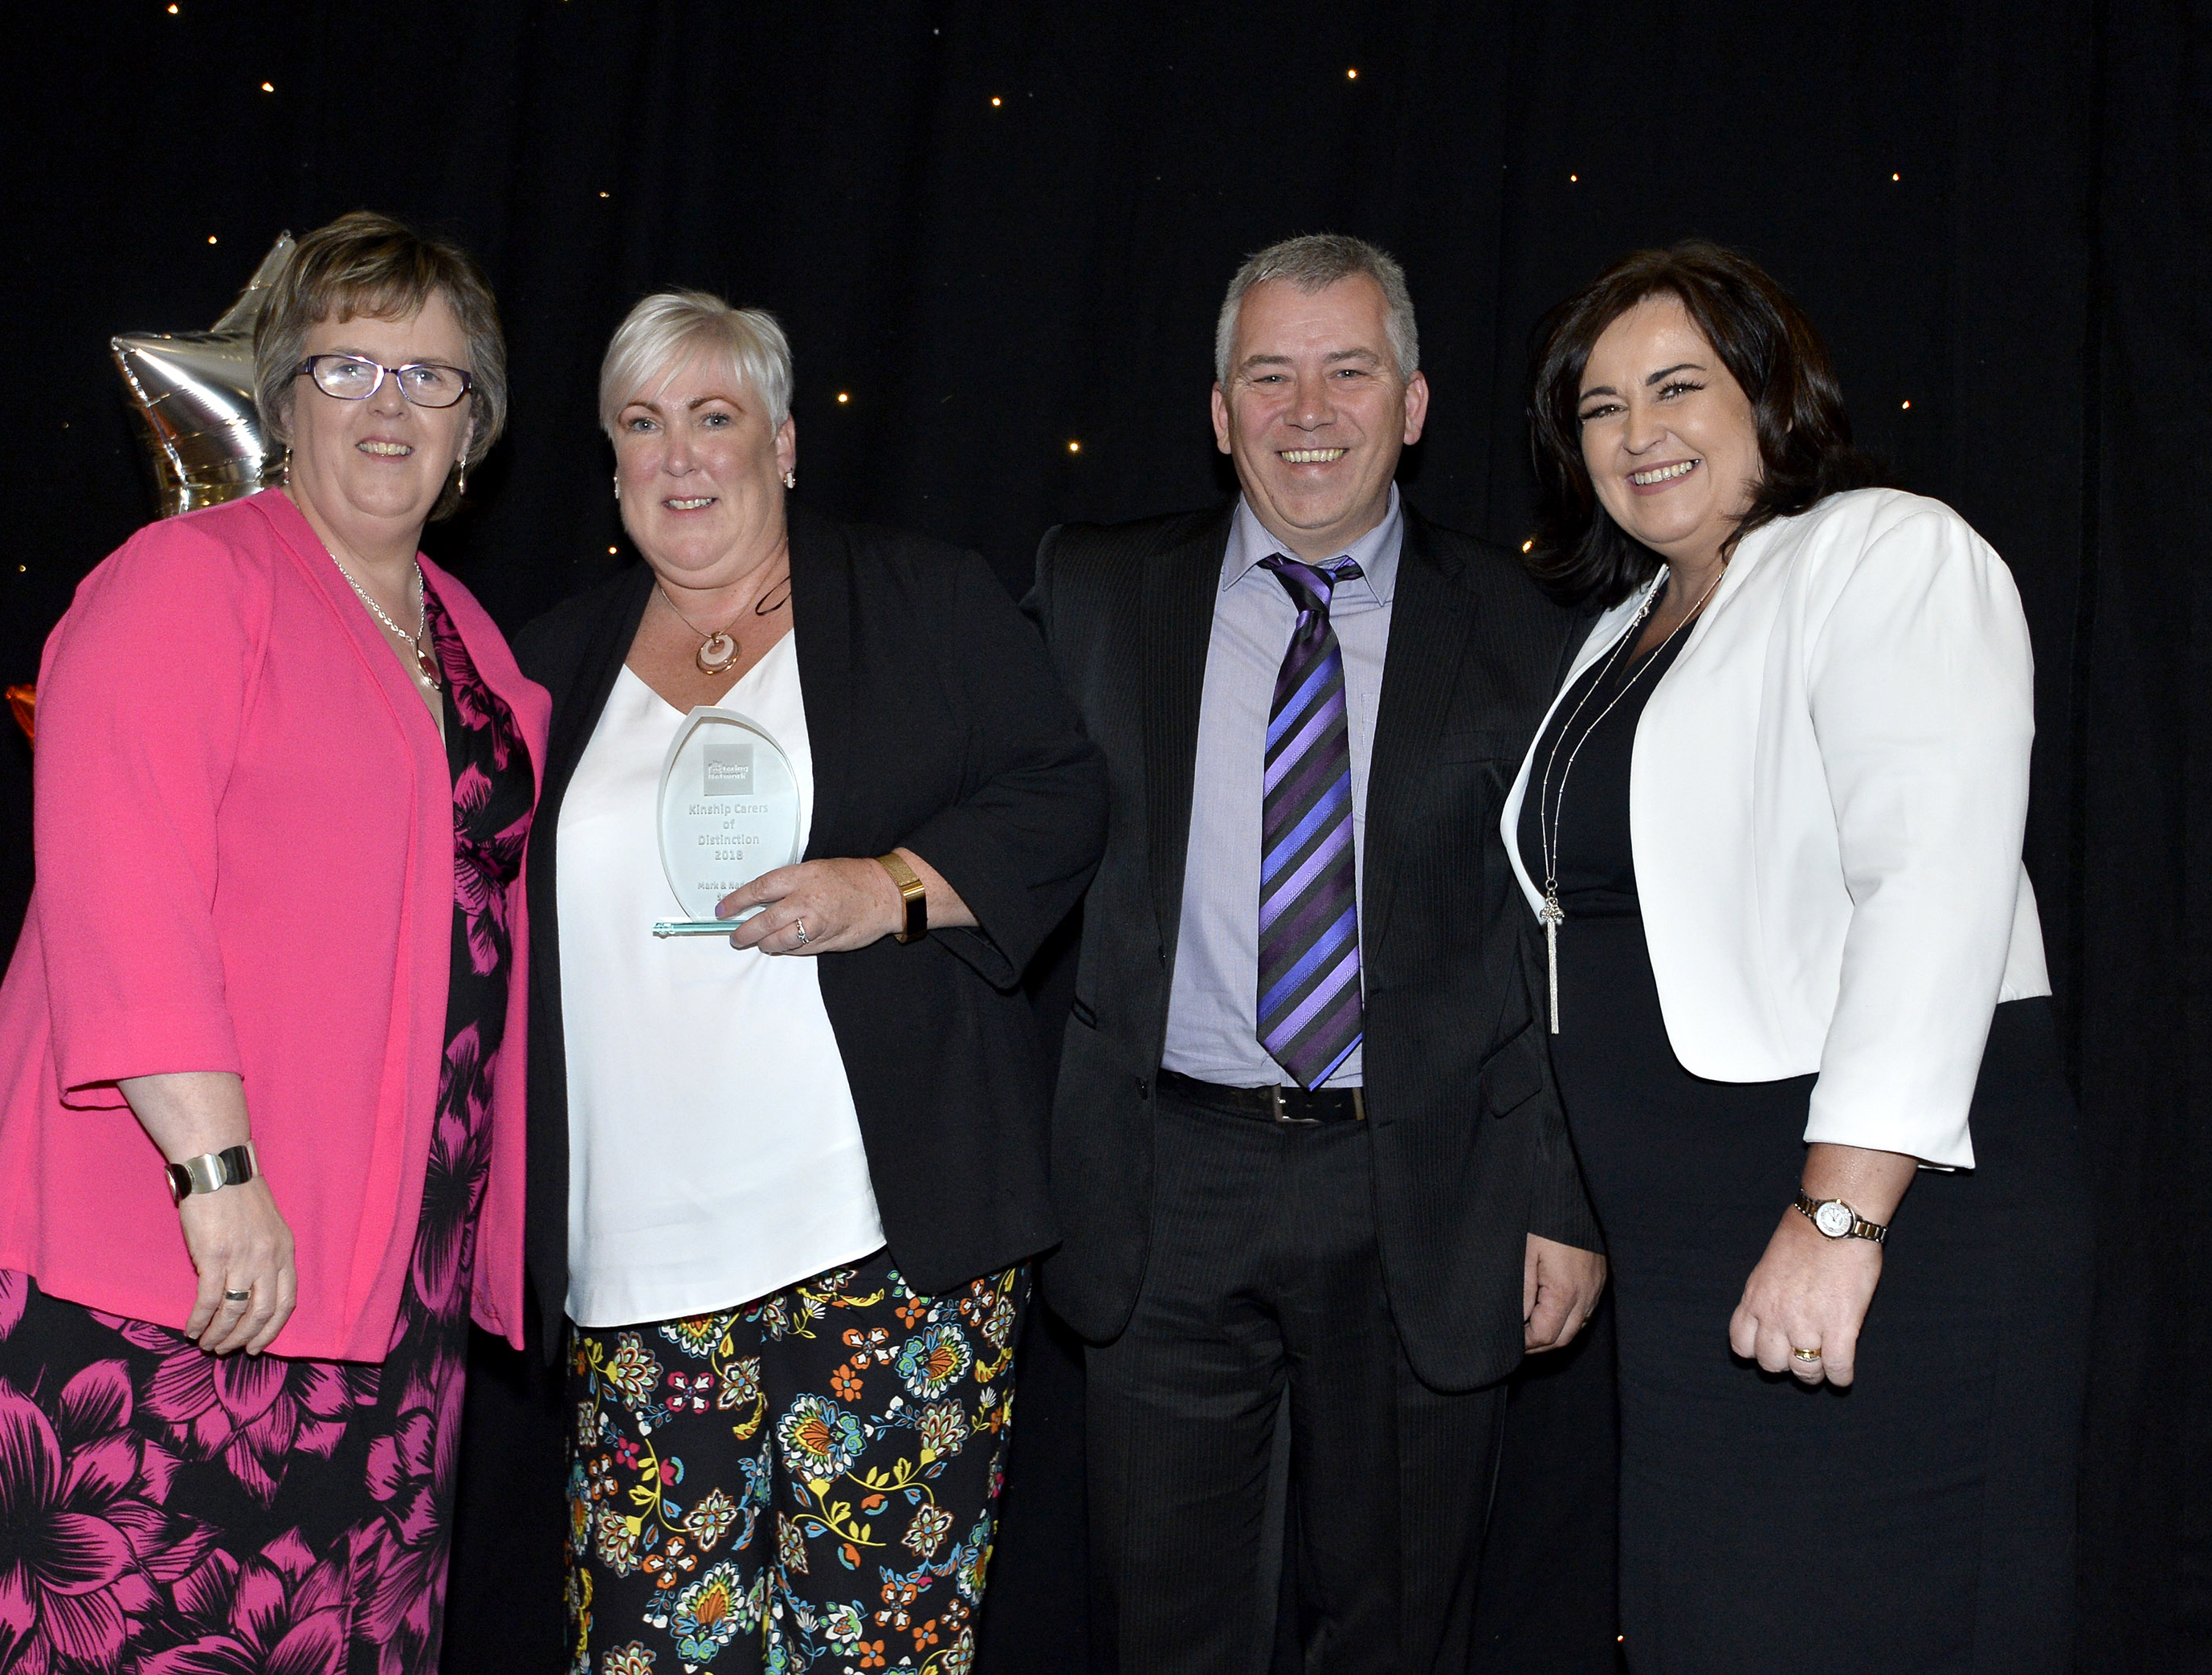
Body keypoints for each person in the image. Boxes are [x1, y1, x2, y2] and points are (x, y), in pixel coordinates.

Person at [0, 211, 549, 1675]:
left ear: (476, 424)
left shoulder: (484, 654)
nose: (390, 406)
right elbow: (119, 884)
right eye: (349, 367)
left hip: (393, 1274)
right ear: (284, 394)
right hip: (176, 1255)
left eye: (430, 378)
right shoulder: (188, 580)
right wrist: (218, 1169)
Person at [1504, 240, 2088, 1672]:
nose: (1637, 433)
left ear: (1769, 391)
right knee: (1714, 1626)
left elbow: (1933, 881)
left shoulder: (1887, 550)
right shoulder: (1621, 636)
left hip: (1881, 1220)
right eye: (1599, 407)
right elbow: (1595, 946)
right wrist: (1580, 1198)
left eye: (1677, 386)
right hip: (1694, 1241)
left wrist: (1839, 1220)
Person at [1025, 233, 1606, 1670]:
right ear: (1218, 414)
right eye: (1268, 376)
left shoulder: (1532, 633)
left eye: (1349, 371)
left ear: (1411, 402)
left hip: (1425, 1180)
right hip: (1167, 1180)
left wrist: (1569, 1196)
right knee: (1166, 1629)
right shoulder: (1094, 594)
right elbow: (977, 800)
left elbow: (1571, 939)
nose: (1308, 412)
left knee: (1401, 1629)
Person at [512, 289, 1107, 1675]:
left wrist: (889, 887)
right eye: (642, 427)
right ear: (609, 468)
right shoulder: (548, 666)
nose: (679, 458)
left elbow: (1065, 794)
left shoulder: (921, 597)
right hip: (637, 1269)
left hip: (886, 1253)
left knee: (877, 1657)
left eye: (713, 418)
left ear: (781, 443)